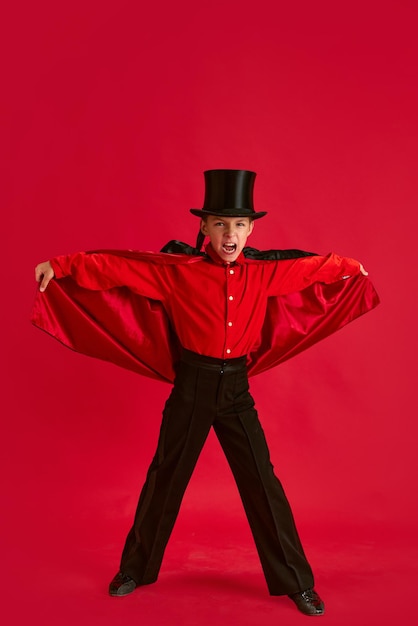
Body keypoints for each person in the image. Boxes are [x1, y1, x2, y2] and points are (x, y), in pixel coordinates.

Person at [34, 169, 374, 616]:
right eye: (219, 223)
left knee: (262, 484)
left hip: (235, 390)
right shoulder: (177, 274)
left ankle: (296, 582)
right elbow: (117, 267)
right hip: (191, 386)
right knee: (166, 478)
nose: (229, 232)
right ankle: (135, 569)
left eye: (237, 224)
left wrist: (351, 266)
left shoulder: (264, 274)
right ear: (204, 228)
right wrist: (61, 265)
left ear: (251, 230)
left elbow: (311, 270)